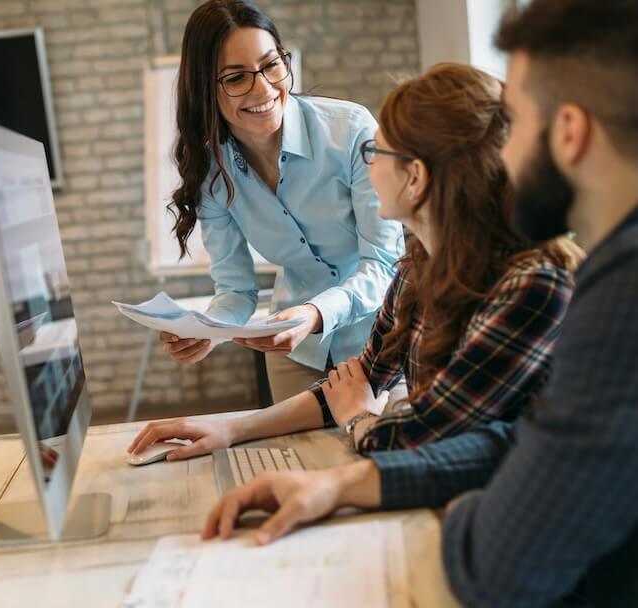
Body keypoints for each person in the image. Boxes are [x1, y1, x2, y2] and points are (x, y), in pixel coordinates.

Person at [201, 1, 638, 606]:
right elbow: (511, 443)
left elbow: (499, 551)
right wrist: (342, 478)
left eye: (519, 124)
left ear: (568, 132)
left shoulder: (579, 288)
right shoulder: (420, 267)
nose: (502, 155)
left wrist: (367, 431)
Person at [129, 62, 581, 462]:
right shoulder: (416, 269)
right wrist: (228, 428)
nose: (365, 166)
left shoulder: (531, 287)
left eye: (375, 152)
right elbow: (361, 379)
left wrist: (358, 419)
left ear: (416, 177)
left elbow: (422, 436)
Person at [160, 0, 404, 402]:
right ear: (205, 87)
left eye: (272, 65)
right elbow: (237, 291)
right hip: (298, 352)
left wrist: (315, 314)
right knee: (294, 460)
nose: (264, 89)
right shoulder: (212, 173)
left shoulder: (351, 132)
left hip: (385, 339)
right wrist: (207, 331)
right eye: (237, 77)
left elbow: (383, 263)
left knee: (381, 455)